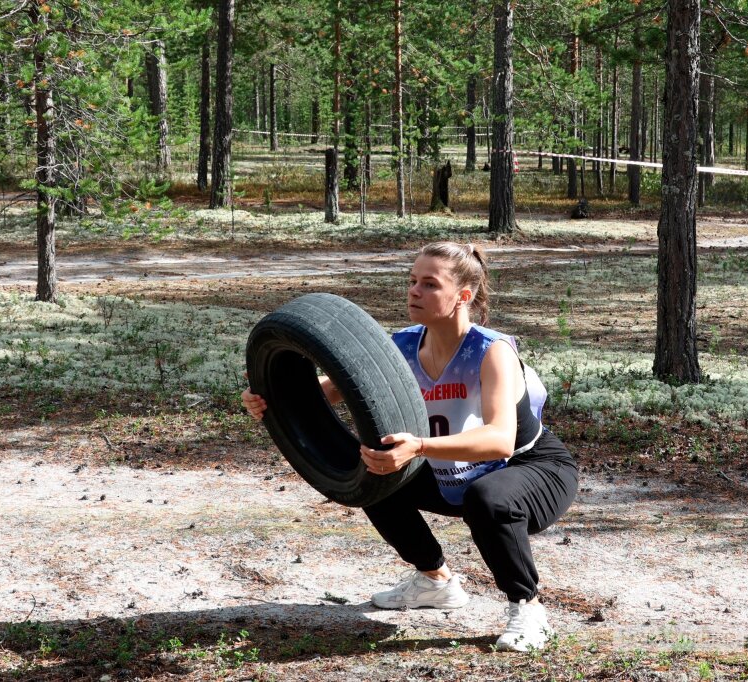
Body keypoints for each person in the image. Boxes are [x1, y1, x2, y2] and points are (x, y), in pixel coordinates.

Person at [241, 241, 578, 652]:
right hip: (449, 469)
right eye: (412, 281)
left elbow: (499, 439)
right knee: (370, 468)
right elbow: (324, 393)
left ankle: (527, 607)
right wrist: (271, 400)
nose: (414, 291)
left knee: (488, 498)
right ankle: (435, 582)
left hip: (531, 469)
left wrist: (417, 446)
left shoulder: (491, 352)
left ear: (463, 297)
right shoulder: (402, 346)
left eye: (430, 284)